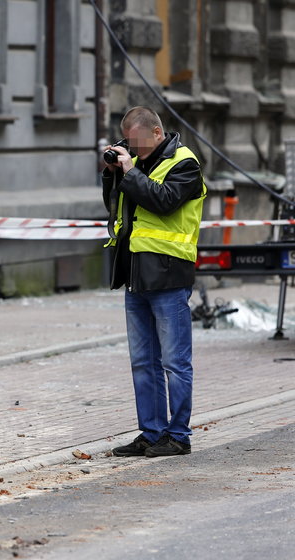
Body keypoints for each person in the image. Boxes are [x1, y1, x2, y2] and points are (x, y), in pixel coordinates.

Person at [101, 106, 206, 458]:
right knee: (143, 361)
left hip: (169, 275)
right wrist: (113, 174)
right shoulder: (138, 164)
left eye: (138, 144)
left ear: (157, 133)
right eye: (129, 145)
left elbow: (163, 202)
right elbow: (116, 208)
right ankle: (151, 432)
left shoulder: (185, 163)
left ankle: (178, 435)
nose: (134, 151)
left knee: (175, 361)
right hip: (136, 276)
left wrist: (130, 170)